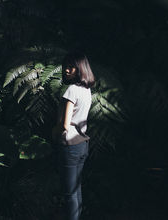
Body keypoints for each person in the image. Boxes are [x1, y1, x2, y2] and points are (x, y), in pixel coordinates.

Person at [52, 51, 95, 220]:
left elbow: (64, 124)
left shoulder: (71, 90)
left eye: (71, 67)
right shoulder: (86, 90)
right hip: (83, 145)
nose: (67, 70)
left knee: (69, 194)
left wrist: (54, 132)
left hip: (70, 147)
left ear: (80, 69)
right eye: (66, 67)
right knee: (76, 190)